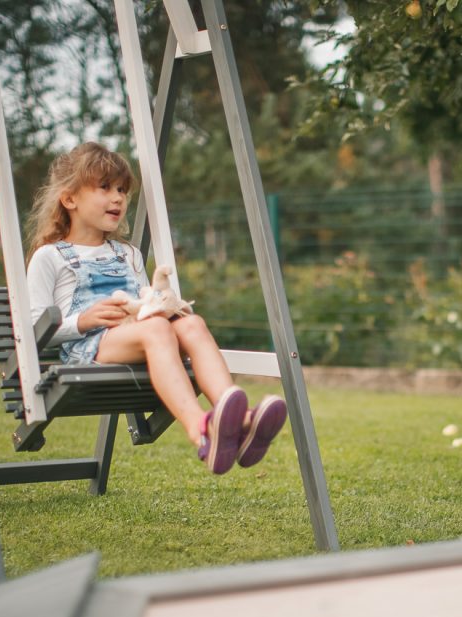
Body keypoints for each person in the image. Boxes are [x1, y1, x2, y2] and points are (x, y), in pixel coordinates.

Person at [25, 142, 286, 474]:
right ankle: (201, 430)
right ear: (69, 198)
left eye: (121, 189)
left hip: (138, 334)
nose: (118, 197)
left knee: (192, 325)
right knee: (157, 329)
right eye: (104, 187)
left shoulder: (127, 253)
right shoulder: (50, 256)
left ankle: (240, 420)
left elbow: (143, 303)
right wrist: (82, 321)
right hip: (88, 347)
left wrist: (164, 308)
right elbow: (33, 330)